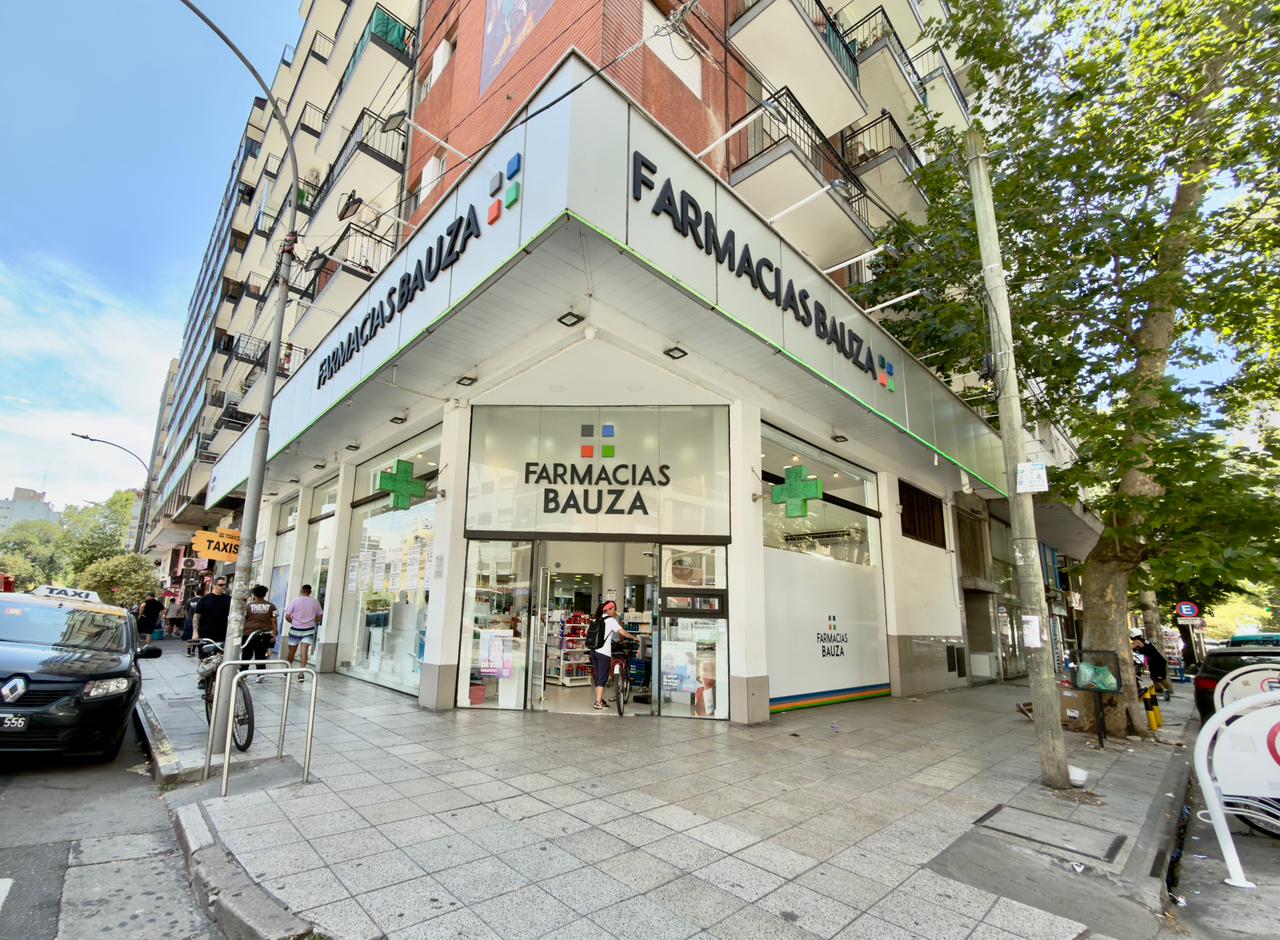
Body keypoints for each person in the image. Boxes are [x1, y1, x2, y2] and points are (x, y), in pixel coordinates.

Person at [590, 600, 638, 711]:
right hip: (603, 653)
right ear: (609, 609)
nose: (615, 611)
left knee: (598, 676)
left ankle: (599, 699)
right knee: (603, 677)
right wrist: (634, 637)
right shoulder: (611, 620)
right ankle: (598, 702)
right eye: (614, 609)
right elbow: (623, 632)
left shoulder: (596, 619)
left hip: (593, 651)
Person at [283, 584, 323, 682]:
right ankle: (301, 674)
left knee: (291, 652)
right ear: (310, 592)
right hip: (309, 630)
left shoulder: (295, 600)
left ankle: (287, 670)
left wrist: (294, 622)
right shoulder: (315, 602)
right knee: (304, 652)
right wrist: (313, 622)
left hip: (295, 629)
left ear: (301, 591)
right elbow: (320, 616)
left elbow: (287, 616)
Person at [243, 584, 279, 683]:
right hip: (264, 633)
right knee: (261, 654)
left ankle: (243, 672)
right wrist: (274, 634)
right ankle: (260, 674)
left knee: (246, 654)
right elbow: (274, 621)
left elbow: (243, 619)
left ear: (254, 594)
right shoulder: (272, 606)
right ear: (265, 594)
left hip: (248, 633)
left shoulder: (247, 606)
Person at [1131, 629, 1171, 701]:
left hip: (1157, 661)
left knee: (1159, 678)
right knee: (1155, 678)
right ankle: (1164, 691)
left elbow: (1129, 648)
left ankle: (1165, 691)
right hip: (1156, 661)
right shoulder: (1143, 640)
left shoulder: (1137, 641)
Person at [192, 577, 231, 646]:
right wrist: (195, 633)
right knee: (205, 652)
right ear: (214, 585)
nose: (223, 587)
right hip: (206, 635)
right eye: (221, 585)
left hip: (223, 635)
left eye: (224, 585)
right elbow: (196, 617)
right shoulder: (204, 599)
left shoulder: (229, 599)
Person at [184, 586, 204, 655]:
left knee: (190, 636)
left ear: (195, 592)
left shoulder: (189, 600)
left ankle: (188, 651)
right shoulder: (203, 600)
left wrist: (188, 618)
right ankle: (193, 650)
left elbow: (185, 610)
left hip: (190, 620)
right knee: (197, 635)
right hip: (200, 621)